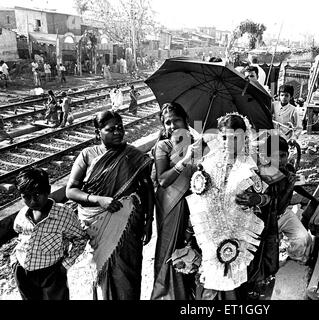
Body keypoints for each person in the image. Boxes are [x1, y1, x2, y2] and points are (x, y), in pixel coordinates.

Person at [186, 113, 280, 300]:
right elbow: (199, 197)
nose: (229, 143)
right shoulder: (208, 161)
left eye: (236, 138)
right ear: (219, 137)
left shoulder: (255, 163)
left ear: (245, 137)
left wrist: (257, 199)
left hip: (240, 230)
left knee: (236, 279)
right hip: (212, 230)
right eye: (225, 138)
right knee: (211, 277)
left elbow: (271, 199)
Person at [66, 110, 154, 300]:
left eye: (120, 128)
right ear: (98, 132)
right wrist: (97, 199)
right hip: (97, 225)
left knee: (128, 271)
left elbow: (147, 188)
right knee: (102, 270)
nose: (118, 132)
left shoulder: (133, 155)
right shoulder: (87, 155)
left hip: (128, 225)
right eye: (111, 129)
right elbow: (71, 190)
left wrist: (149, 221)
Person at [11, 168, 87, 300]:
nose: (32, 201)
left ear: (48, 190)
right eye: (26, 197)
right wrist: (15, 261)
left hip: (51, 273)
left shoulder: (63, 214)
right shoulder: (22, 214)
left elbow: (80, 239)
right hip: (23, 272)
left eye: (37, 195)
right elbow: (20, 236)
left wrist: (65, 265)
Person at [150, 102, 201, 300]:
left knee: (192, 246)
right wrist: (184, 160)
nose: (172, 126)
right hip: (172, 204)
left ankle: (189, 294)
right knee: (170, 248)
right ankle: (169, 295)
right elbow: (163, 180)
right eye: (167, 123)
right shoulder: (164, 146)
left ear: (186, 121)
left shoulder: (197, 144)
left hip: (194, 203)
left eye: (176, 120)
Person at [264, 136, 315, 262]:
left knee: (304, 239)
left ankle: (292, 255)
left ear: (288, 154)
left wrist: (314, 199)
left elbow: (296, 187)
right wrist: (288, 187)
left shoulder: (288, 169)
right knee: (265, 252)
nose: (280, 161)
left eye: (283, 155)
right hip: (266, 220)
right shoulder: (266, 175)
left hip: (282, 215)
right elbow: (279, 205)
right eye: (275, 157)